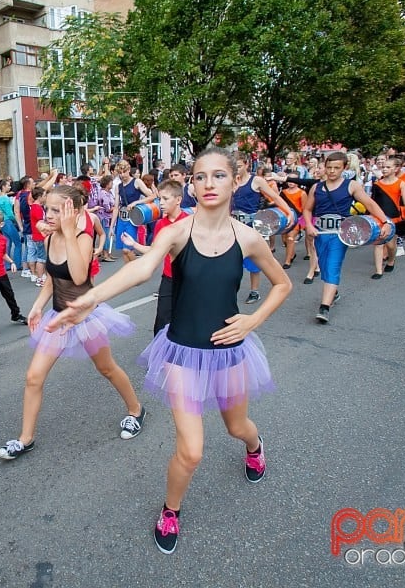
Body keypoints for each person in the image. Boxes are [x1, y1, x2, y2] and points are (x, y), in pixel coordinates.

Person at [46, 150, 290, 555]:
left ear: (234, 181)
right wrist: (90, 299)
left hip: (229, 351)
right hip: (181, 352)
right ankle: (170, 510)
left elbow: (282, 285)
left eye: (218, 176)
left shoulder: (248, 238)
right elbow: (141, 270)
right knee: (191, 450)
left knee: (237, 427)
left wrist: (253, 320)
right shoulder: (177, 232)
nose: (208, 183)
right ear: (191, 184)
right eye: (200, 176)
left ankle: (254, 447)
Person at [0, 185, 145, 461]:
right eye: (47, 209)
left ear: (74, 211)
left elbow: (77, 278)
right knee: (33, 377)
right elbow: (53, 278)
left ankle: (136, 410)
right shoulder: (51, 237)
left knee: (107, 369)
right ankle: (25, 438)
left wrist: (68, 232)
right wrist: (37, 307)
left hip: (86, 316)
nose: (48, 215)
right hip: (57, 316)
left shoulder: (82, 237)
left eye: (56, 210)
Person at [302, 152, 394, 324]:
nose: (331, 171)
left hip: (340, 234)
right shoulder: (317, 187)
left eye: (336, 168)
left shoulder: (351, 186)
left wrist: (385, 220)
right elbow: (307, 209)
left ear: (344, 168)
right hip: (320, 233)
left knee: (332, 264)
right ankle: (333, 292)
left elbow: (369, 204)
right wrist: (309, 225)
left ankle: (324, 307)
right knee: (322, 264)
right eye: (329, 167)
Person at [119, 180, 190, 336]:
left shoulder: (190, 222)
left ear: (178, 200)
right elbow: (154, 250)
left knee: (187, 321)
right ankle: (161, 357)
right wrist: (134, 244)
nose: (161, 203)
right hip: (169, 279)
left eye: (165, 199)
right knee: (162, 323)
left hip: (189, 280)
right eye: (159, 199)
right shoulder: (160, 224)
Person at [231, 161, 294, 305]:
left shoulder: (256, 180)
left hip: (252, 225)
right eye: (234, 165)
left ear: (246, 165)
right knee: (233, 260)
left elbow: (275, 196)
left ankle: (255, 291)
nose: (236, 168)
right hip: (234, 226)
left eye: (239, 165)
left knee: (254, 260)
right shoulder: (229, 180)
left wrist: (288, 211)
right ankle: (230, 290)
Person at [369, 157, 405, 279]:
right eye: (383, 167)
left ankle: (391, 260)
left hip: (394, 218)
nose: (384, 169)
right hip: (378, 218)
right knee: (378, 243)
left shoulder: (401, 183)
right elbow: (373, 202)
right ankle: (378, 271)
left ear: (396, 169)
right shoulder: (377, 184)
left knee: (391, 245)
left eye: (388, 167)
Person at [113, 161, 156, 262]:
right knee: (124, 251)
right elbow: (116, 207)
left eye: (124, 172)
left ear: (128, 170)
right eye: (119, 172)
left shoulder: (136, 182)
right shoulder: (118, 186)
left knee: (127, 249)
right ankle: (129, 272)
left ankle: (136, 269)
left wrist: (136, 202)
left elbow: (152, 196)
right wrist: (112, 226)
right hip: (121, 218)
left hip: (132, 218)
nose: (122, 175)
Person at [0, 178, 24, 275]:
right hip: (8, 221)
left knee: (8, 243)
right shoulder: (5, 198)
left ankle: (6, 264)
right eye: (8, 185)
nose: (10, 187)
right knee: (18, 243)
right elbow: (10, 213)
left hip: (3, 222)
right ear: (3, 187)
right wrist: (16, 220)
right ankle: (18, 263)